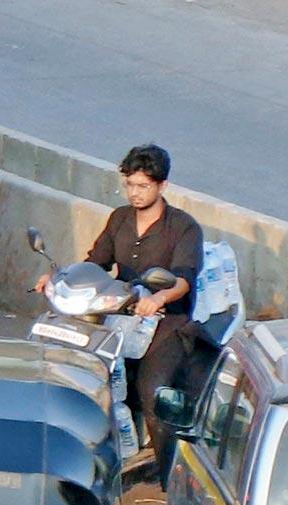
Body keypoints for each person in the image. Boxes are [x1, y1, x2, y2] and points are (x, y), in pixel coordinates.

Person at [36, 144, 202, 487]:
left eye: (143, 186)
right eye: (130, 185)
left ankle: (170, 482)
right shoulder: (119, 218)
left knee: (151, 391)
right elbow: (95, 262)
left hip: (166, 323)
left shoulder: (183, 228)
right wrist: (58, 278)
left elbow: (184, 279)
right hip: (118, 315)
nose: (135, 193)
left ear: (162, 186)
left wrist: (158, 298)